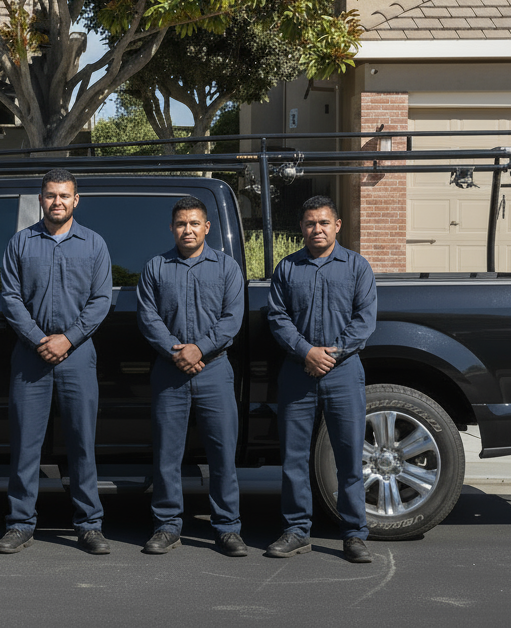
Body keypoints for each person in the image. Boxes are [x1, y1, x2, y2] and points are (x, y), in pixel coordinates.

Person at [0, 169, 113, 555]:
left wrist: (69, 338)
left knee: (82, 444)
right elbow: (10, 298)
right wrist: (38, 339)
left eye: (64, 195)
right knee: (26, 446)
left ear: (76, 200)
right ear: (40, 199)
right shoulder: (20, 243)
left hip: (78, 356)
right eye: (50, 195)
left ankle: (89, 525)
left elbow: (100, 301)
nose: (57, 201)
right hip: (30, 357)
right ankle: (20, 524)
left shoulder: (94, 244)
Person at [265, 195, 377, 563]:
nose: (317, 229)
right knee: (293, 458)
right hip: (298, 373)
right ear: (301, 227)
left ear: (337, 225)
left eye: (324, 222)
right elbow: (277, 318)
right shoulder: (287, 268)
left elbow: (364, 321)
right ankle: (296, 531)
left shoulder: (357, 267)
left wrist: (330, 355)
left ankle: (354, 535)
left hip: (343, 373)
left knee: (348, 457)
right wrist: (306, 352)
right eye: (311, 223)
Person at [136, 196, 246, 557]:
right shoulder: (155, 267)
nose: (188, 230)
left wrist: (200, 348)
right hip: (169, 370)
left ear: (207, 228)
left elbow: (232, 318)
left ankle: (227, 527)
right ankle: (167, 525)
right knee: (167, 454)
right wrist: (176, 350)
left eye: (194, 223)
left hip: (215, 369)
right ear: (172, 228)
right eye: (181, 224)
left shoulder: (227, 268)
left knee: (222, 453)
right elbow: (148, 317)